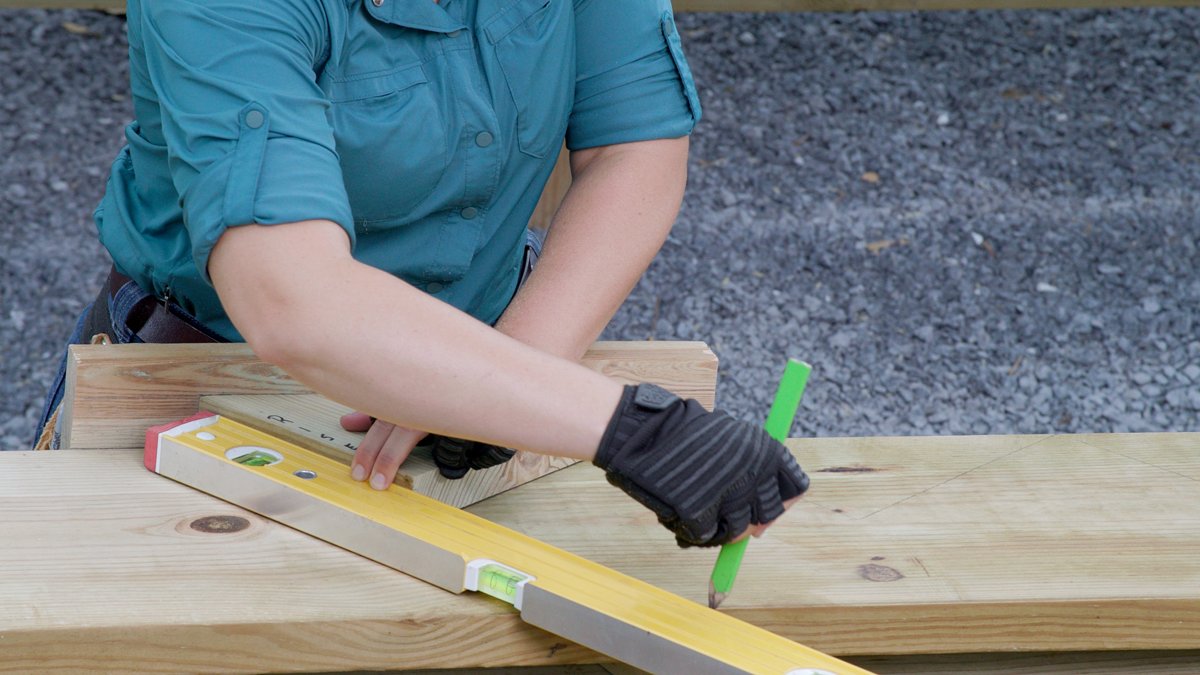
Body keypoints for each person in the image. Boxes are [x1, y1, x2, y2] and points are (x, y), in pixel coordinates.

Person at [35, 0, 809, 548]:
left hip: (478, 410)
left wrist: (501, 383)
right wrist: (635, 431)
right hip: (202, 394)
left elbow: (631, 147)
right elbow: (291, 300)